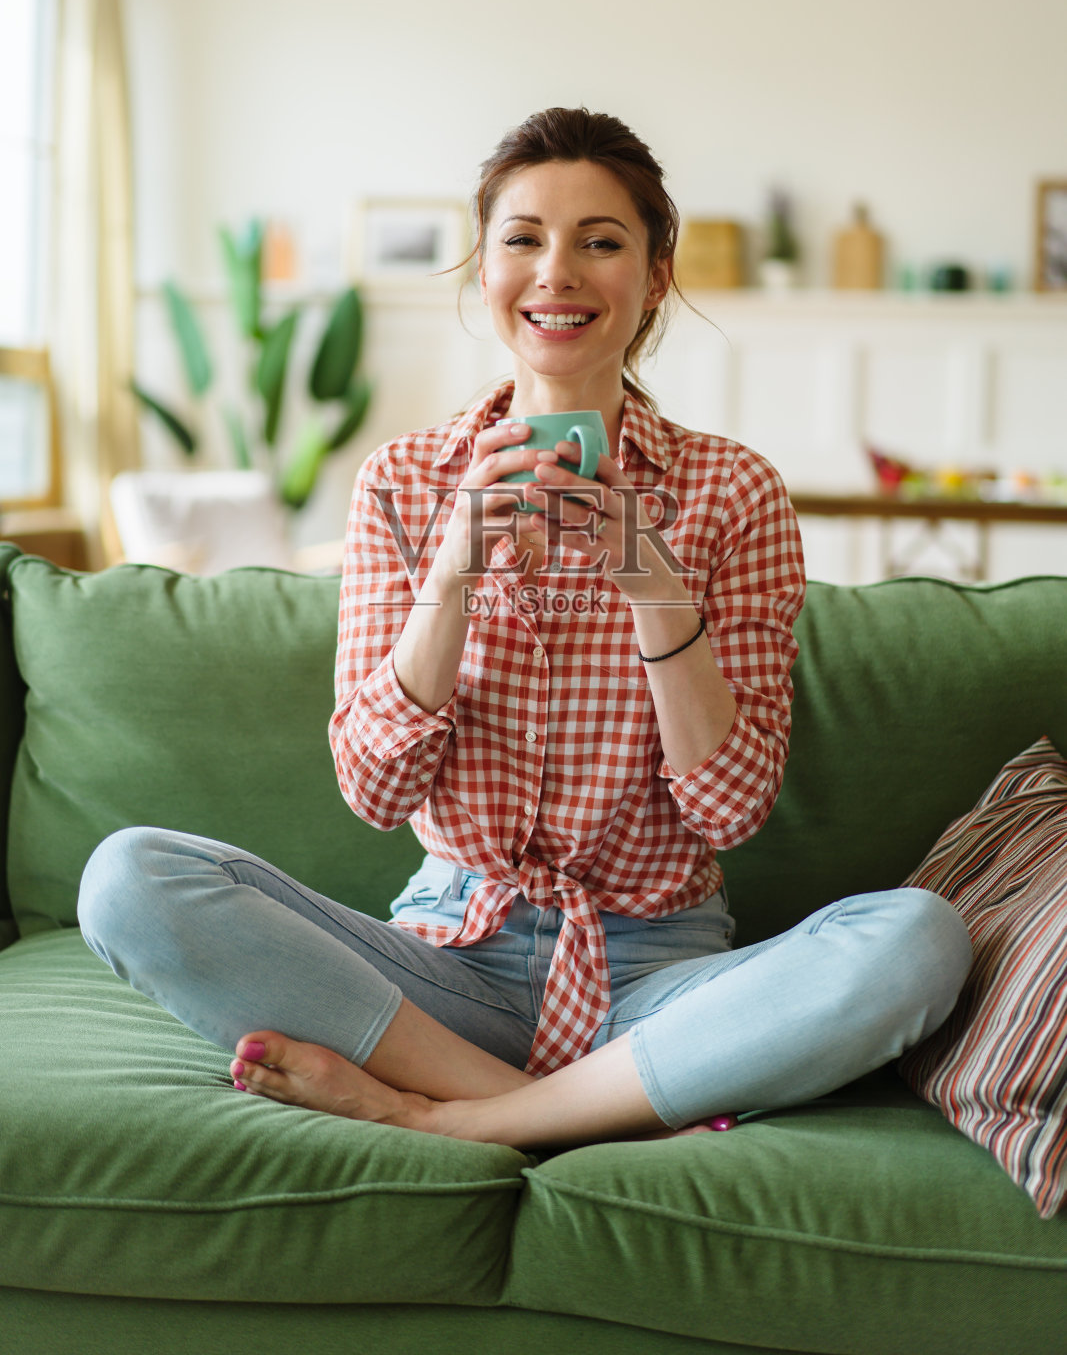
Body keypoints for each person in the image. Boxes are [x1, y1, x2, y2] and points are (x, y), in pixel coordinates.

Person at [79, 108, 971, 1147]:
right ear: (482, 268)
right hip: (444, 969)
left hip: (658, 979)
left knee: (918, 938)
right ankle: (559, 1110)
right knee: (130, 877)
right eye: (522, 239)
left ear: (655, 274)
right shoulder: (405, 482)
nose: (557, 272)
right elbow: (374, 790)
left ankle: (448, 1118)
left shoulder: (732, 491)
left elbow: (727, 809)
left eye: (600, 241)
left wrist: (654, 591)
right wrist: (449, 575)